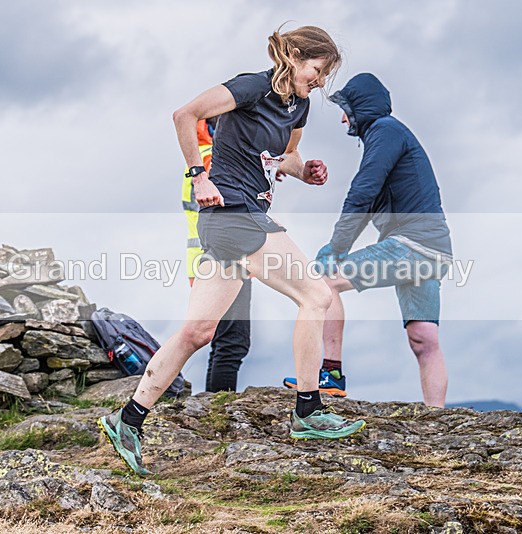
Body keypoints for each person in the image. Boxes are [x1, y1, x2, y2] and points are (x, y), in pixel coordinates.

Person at [98, 25, 366, 476]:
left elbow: (283, 158)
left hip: (237, 221)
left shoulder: (296, 107)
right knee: (316, 296)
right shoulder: (251, 87)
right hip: (234, 213)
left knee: (199, 331)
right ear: (296, 57)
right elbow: (185, 114)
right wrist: (197, 176)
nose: (320, 81)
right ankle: (307, 410)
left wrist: (306, 171)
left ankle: (128, 420)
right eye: (318, 70)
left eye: (325, 75)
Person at [283, 73, 452, 407]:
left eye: (345, 109)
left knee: (323, 280)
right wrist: (339, 245)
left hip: (411, 246)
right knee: (424, 338)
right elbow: (369, 202)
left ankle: (330, 373)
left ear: (361, 107)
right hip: (434, 250)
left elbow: (362, 193)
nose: (343, 117)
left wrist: (337, 248)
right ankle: (438, 417)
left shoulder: (384, 132)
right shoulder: (391, 136)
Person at [182, 117, 252, 393]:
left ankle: (215, 406)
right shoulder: (216, 159)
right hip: (224, 259)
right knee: (232, 341)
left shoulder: (203, 157)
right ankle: (217, 409)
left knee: (226, 340)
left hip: (209, 260)